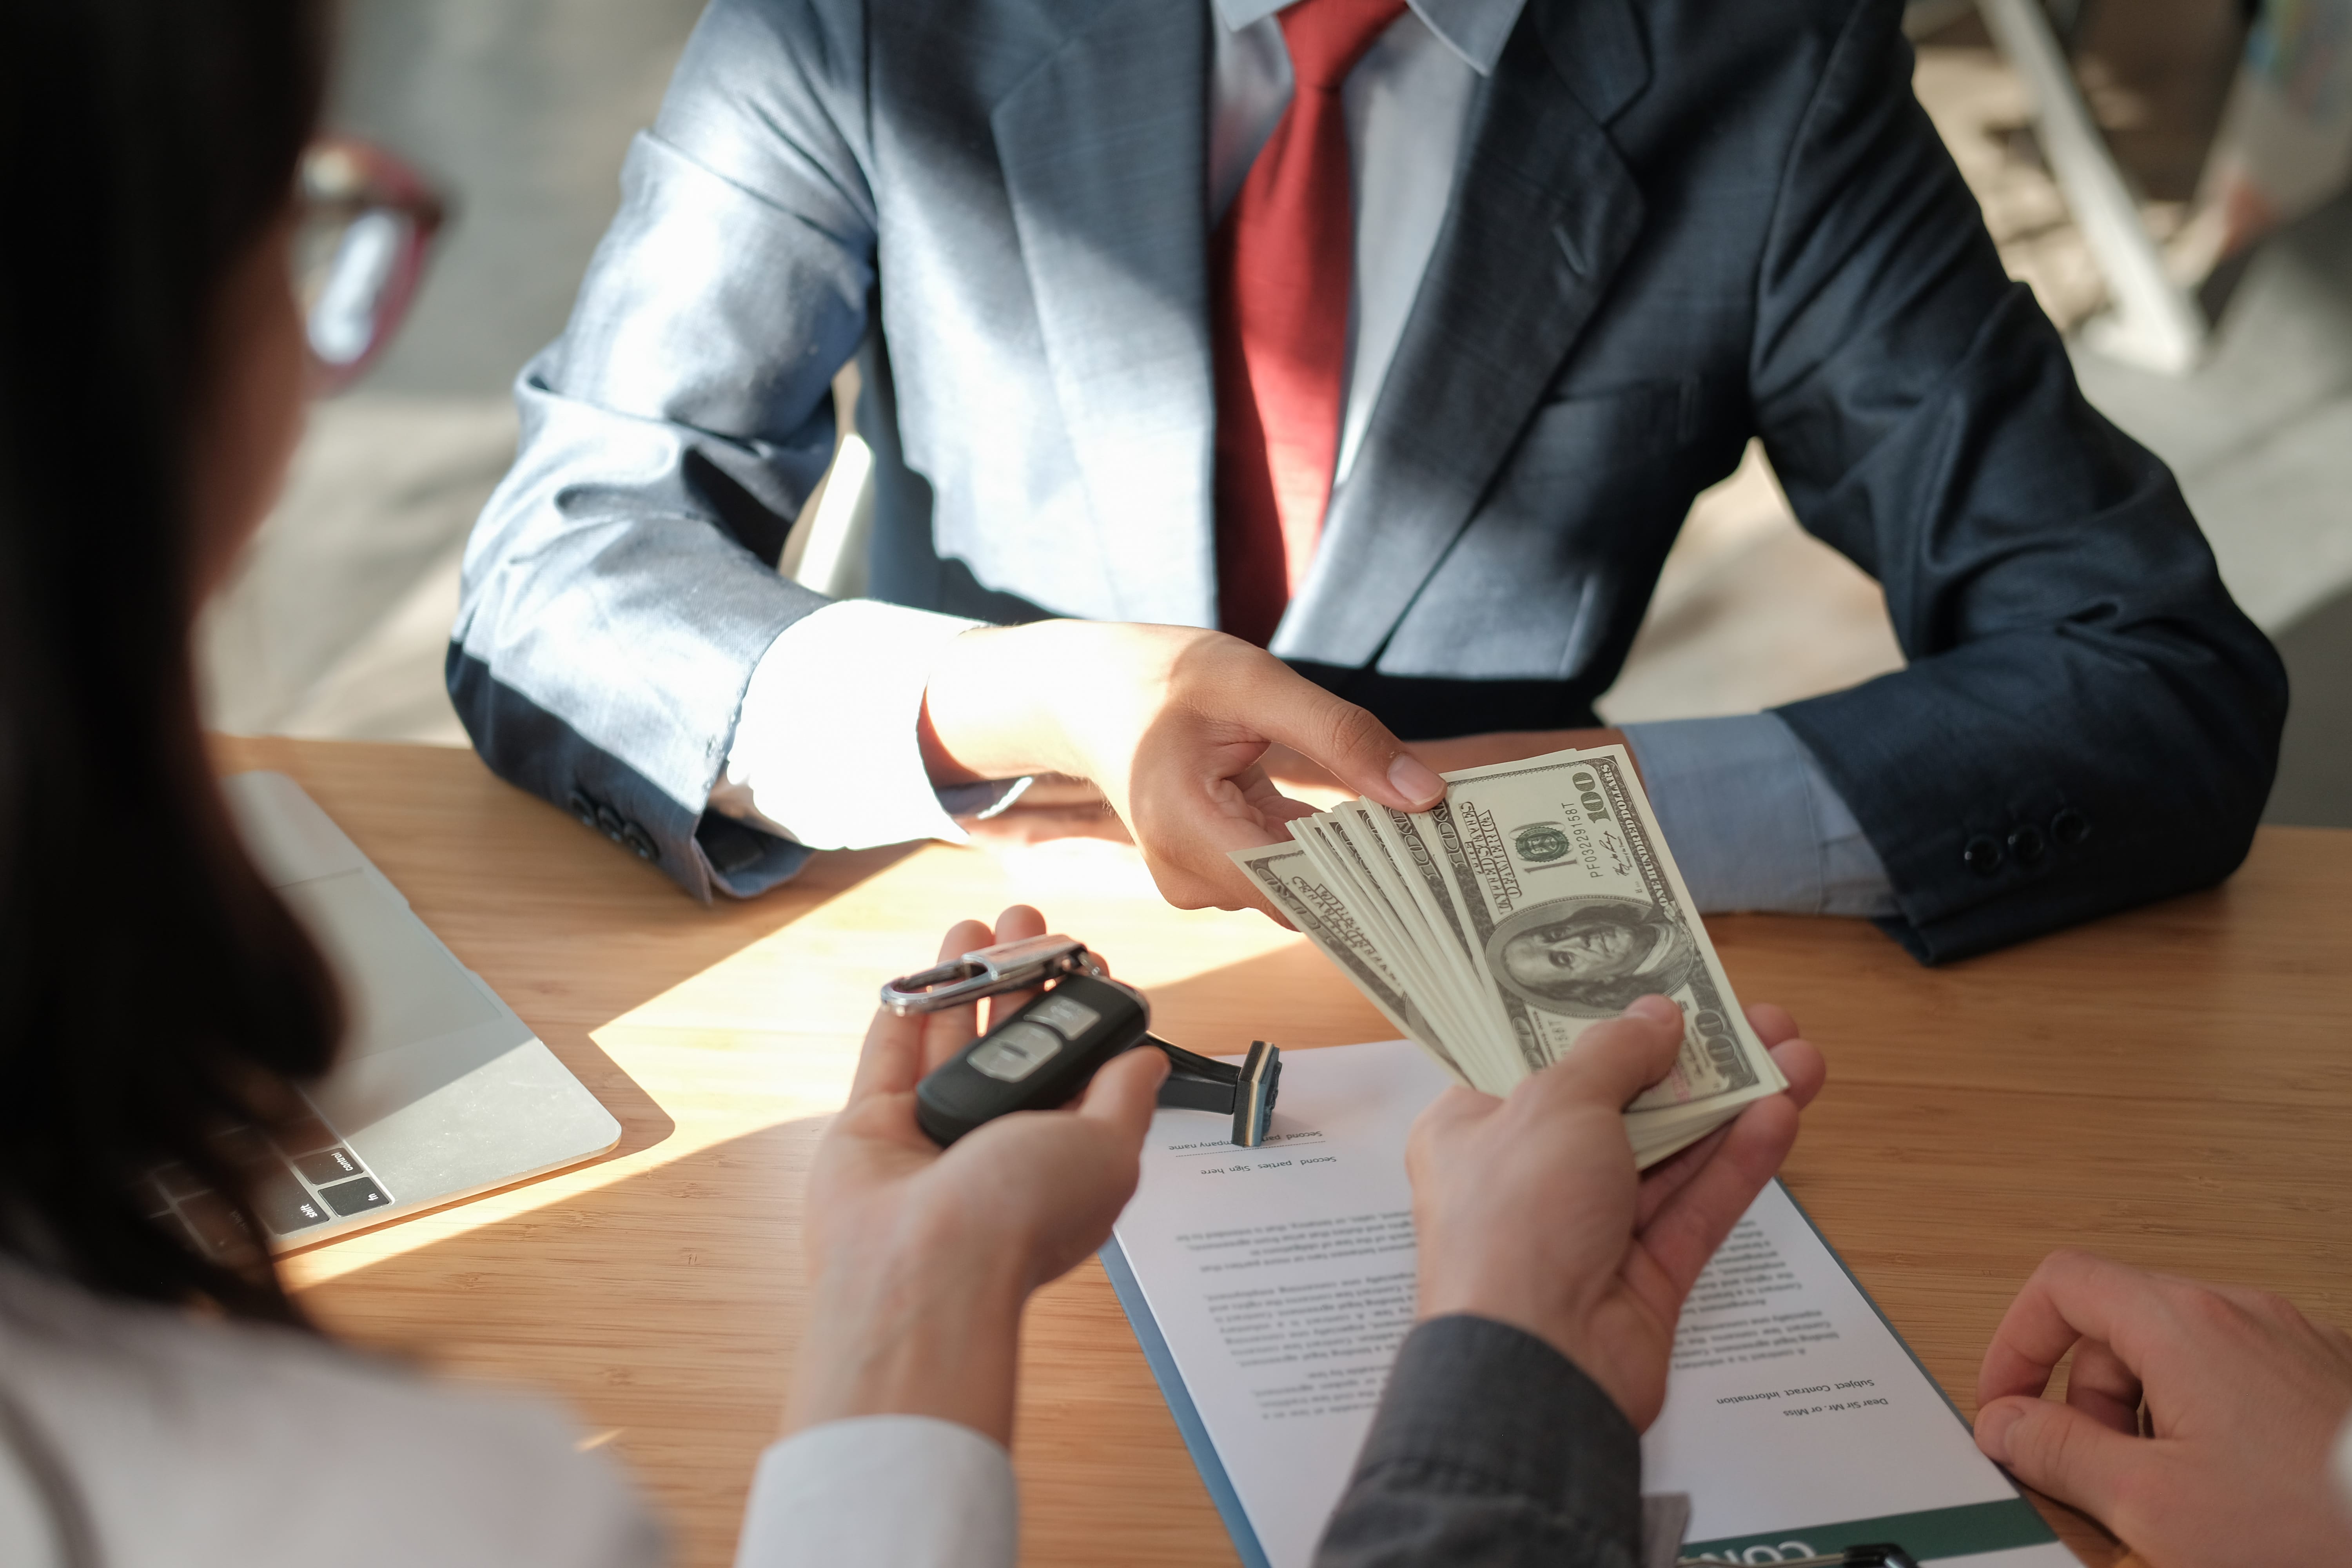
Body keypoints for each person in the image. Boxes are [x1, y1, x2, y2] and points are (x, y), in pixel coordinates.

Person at [449, 0, 2286, 966]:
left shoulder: (1762, 58)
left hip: (1514, 1047)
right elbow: (561, 568)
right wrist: (1006, 695)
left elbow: (2153, 679)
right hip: (978, 928)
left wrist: (1594, 815)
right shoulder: (866, 11)